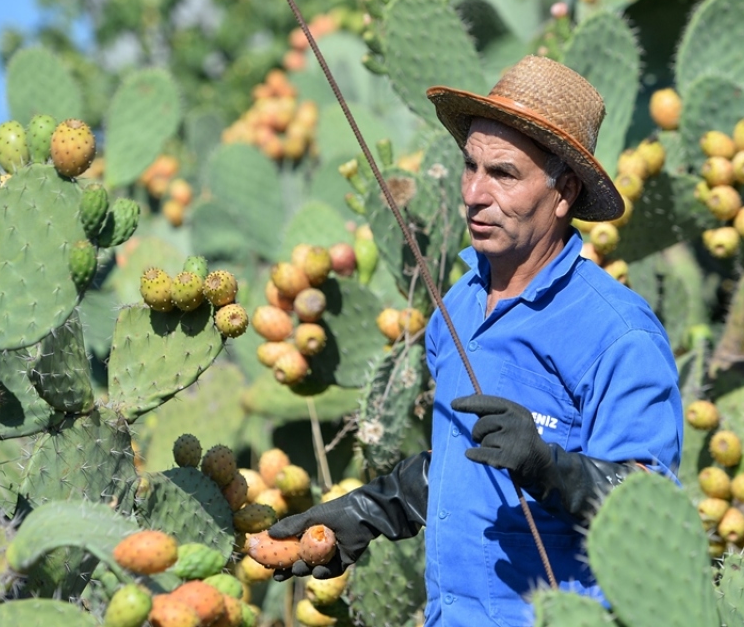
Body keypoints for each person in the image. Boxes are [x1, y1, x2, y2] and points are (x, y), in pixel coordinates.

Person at [268, 55, 682, 625]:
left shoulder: (618, 333)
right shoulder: (456, 307)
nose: (475, 194)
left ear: (562, 192)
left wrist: (549, 466)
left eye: (504, 174)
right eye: (470, 167)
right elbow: (465, 464)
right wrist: (370, 511)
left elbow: (655, 512)